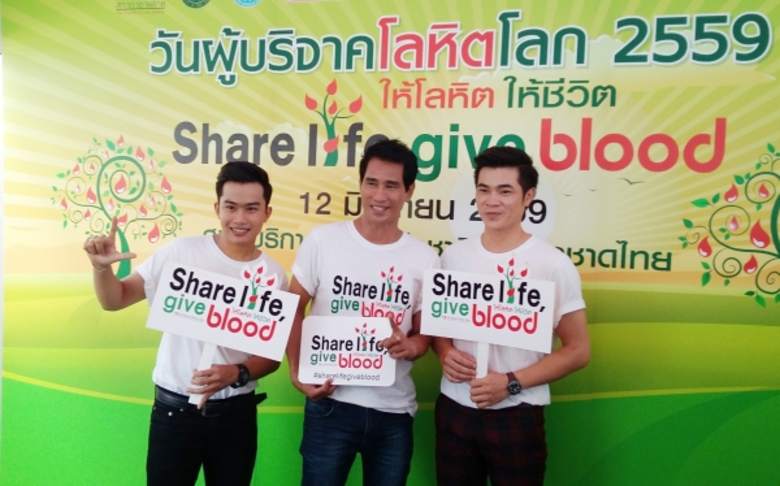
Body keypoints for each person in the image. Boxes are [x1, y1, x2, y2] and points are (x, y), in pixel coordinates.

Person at [83, 161, 287, 486]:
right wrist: (100, 268)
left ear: (267, 213)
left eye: (251, 208)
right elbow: (115, 299)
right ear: (217, 208)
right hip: (174, 415)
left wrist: (237, 372)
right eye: (230, 207)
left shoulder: (273, 276)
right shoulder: (180, 253)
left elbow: (271, 358)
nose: (240, 218)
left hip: (236, 417)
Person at [432, 146, 590, 486]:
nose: (492, 201)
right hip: (455, 411)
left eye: (505, 191)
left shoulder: (553, 264)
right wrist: (444, 353)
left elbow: (578, 350)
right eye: (484, 190)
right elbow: (438, 327)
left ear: (528, 197)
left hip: (518, 415)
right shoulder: (453, 257)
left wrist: (510, 383)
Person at [285, 139, 439, 486]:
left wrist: (411, 346)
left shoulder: (425, 258)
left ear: (409, 191)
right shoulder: (323, 241)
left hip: (393, 411)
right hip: (330, 404)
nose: (379, 195)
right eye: (372, 183)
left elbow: (424, 334)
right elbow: (292, 309)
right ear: (360, 184)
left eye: (391, 185)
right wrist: (296, 371)